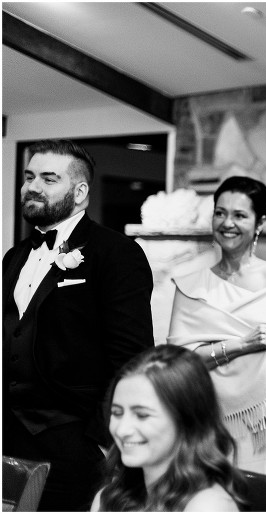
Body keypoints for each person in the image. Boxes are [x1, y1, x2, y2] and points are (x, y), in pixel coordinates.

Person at [2, 139, 154, 511]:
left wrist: (103, 440)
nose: (32, 186)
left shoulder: (117, 253)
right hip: (8, 435)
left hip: (75, 443)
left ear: (80, 191)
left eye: (49, 179)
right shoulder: (15, 256)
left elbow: (132, 357)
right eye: (28, 177)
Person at [167, 176, 266, 476]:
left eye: (240, 215)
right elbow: (179, 363)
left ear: (260, 221)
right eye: (220, 212)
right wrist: (242, 345)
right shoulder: (191, 285)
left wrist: (210, 354)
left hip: (265, 420)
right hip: (205, 417)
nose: (227, 222)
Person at [91, 345, 241, 511]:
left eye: (142, 415)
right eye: (117, 413)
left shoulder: (208, 506)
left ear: (186, 420)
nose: (122, 430)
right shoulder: (108, 498)